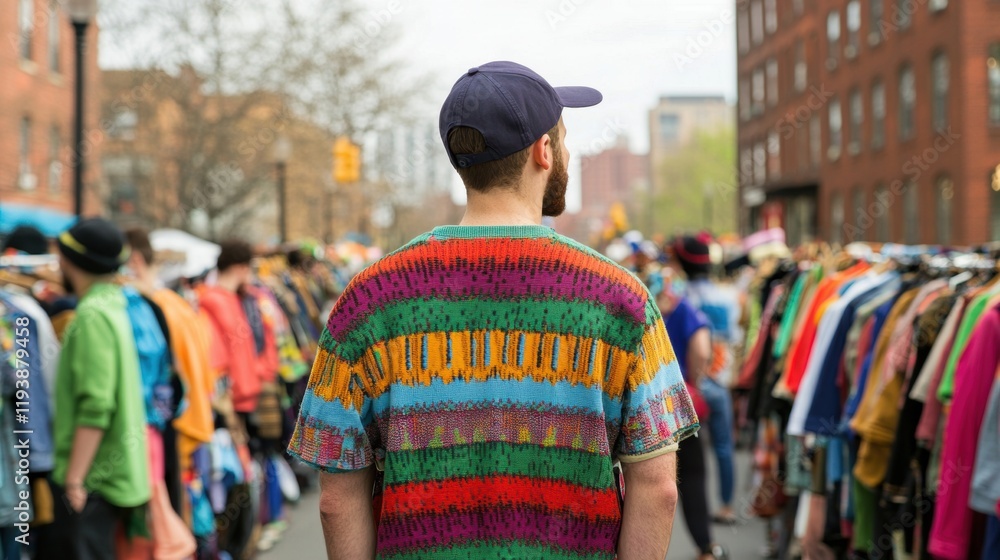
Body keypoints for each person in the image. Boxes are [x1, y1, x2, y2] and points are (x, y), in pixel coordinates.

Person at [288, 61, 699, 560]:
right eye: (563, 140)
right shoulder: (620, 298)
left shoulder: (368, 299)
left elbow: (336, 500)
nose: (566, 152)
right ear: (543, 151)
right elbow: (657, 489)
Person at [41, 218, 150, 560]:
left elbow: (96, 406)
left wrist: (74, 479)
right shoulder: (114, 304)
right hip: (108, 475)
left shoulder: (91, 316)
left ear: (70, 260)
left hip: (92, 480)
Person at [656, 267, 730, 560]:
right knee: (693, 473)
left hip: (648, 403)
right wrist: (695, 381)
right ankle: (705, 548)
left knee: (647, 480)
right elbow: (701, 349)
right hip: (679, 402)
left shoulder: (644, 307)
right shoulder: (685, 309)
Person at [671, 234, 742, 525]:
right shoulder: (728, 296)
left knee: (689, 460)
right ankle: (726, 505)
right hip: (720, 378)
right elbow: (735, 336)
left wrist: (696, 379)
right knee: (724, 446)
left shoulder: (679, 299)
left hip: (690, 384)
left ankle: (691, 510)